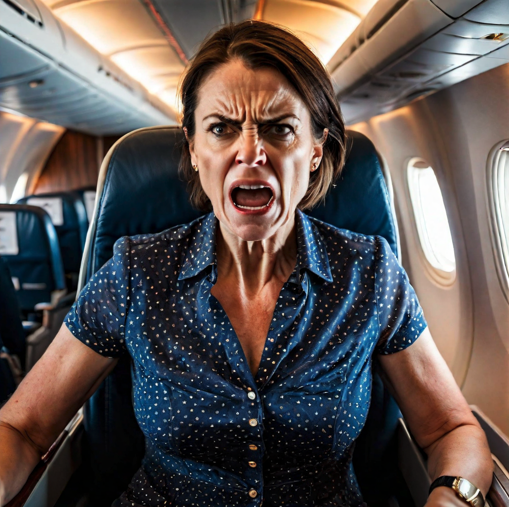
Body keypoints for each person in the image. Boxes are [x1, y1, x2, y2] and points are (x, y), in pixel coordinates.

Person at [0, 20, 493, 507]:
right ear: (194, 148)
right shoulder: (136, 274)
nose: (251, 152)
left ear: (316, 149)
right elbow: (22, 427)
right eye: (221, 129)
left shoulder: (368, 274)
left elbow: (451, 429)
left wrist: (452, 499)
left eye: (280, 129)